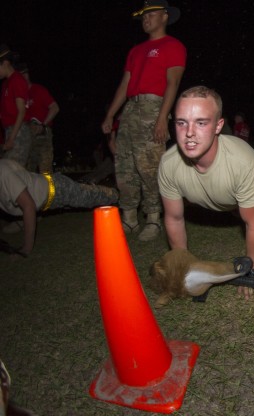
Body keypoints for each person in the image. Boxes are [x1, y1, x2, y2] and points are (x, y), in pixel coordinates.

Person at [158, 86, 254, 299]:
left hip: (235, 202)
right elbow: (174, 218)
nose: (189, 132)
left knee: (244, 213)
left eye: (201, 122)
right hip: (199, 198)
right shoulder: (169, 163)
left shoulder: (245, 163)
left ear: (219, 126)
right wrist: (182, 269)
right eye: (181, 123)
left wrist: (251, 271)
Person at [100, 0, 186, 242]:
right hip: (130, 108)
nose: (145, 19)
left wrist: (162, 119)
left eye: (151, 14)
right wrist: (111, 115)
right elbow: (125, 84)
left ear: (165, 16)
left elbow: (173, 84)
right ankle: (128, 218)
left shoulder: (173, 45)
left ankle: (153, 218)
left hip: (153, 107)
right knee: (124, 165)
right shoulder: (135, 51)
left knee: (148, 166)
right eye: (143, 16)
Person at [0, 159, 118, 258]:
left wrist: (26, 248)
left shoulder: (4, 172)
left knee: (89, 197)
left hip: (56, 189)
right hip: (45, 199)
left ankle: (117, 194)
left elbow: (28, 206)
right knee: (85, 194)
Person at [17, 63, 60, 174]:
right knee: (26, 171)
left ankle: (50, 192)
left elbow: (55, 108)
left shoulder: (38, 90)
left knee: (46, 171)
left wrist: (43, 124)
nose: (23, 76)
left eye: (25, 73)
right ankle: (30, 191)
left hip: (42, 135)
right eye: (20, 74)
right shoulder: (19, 96)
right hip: (26, 137)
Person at [0, 45, 31, 166]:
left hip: (19, 131)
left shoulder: (16, 79)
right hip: (10, 130)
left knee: (13, 173)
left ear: (5, 63)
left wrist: (12, 138)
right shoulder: (5, 84)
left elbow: (21, 111)